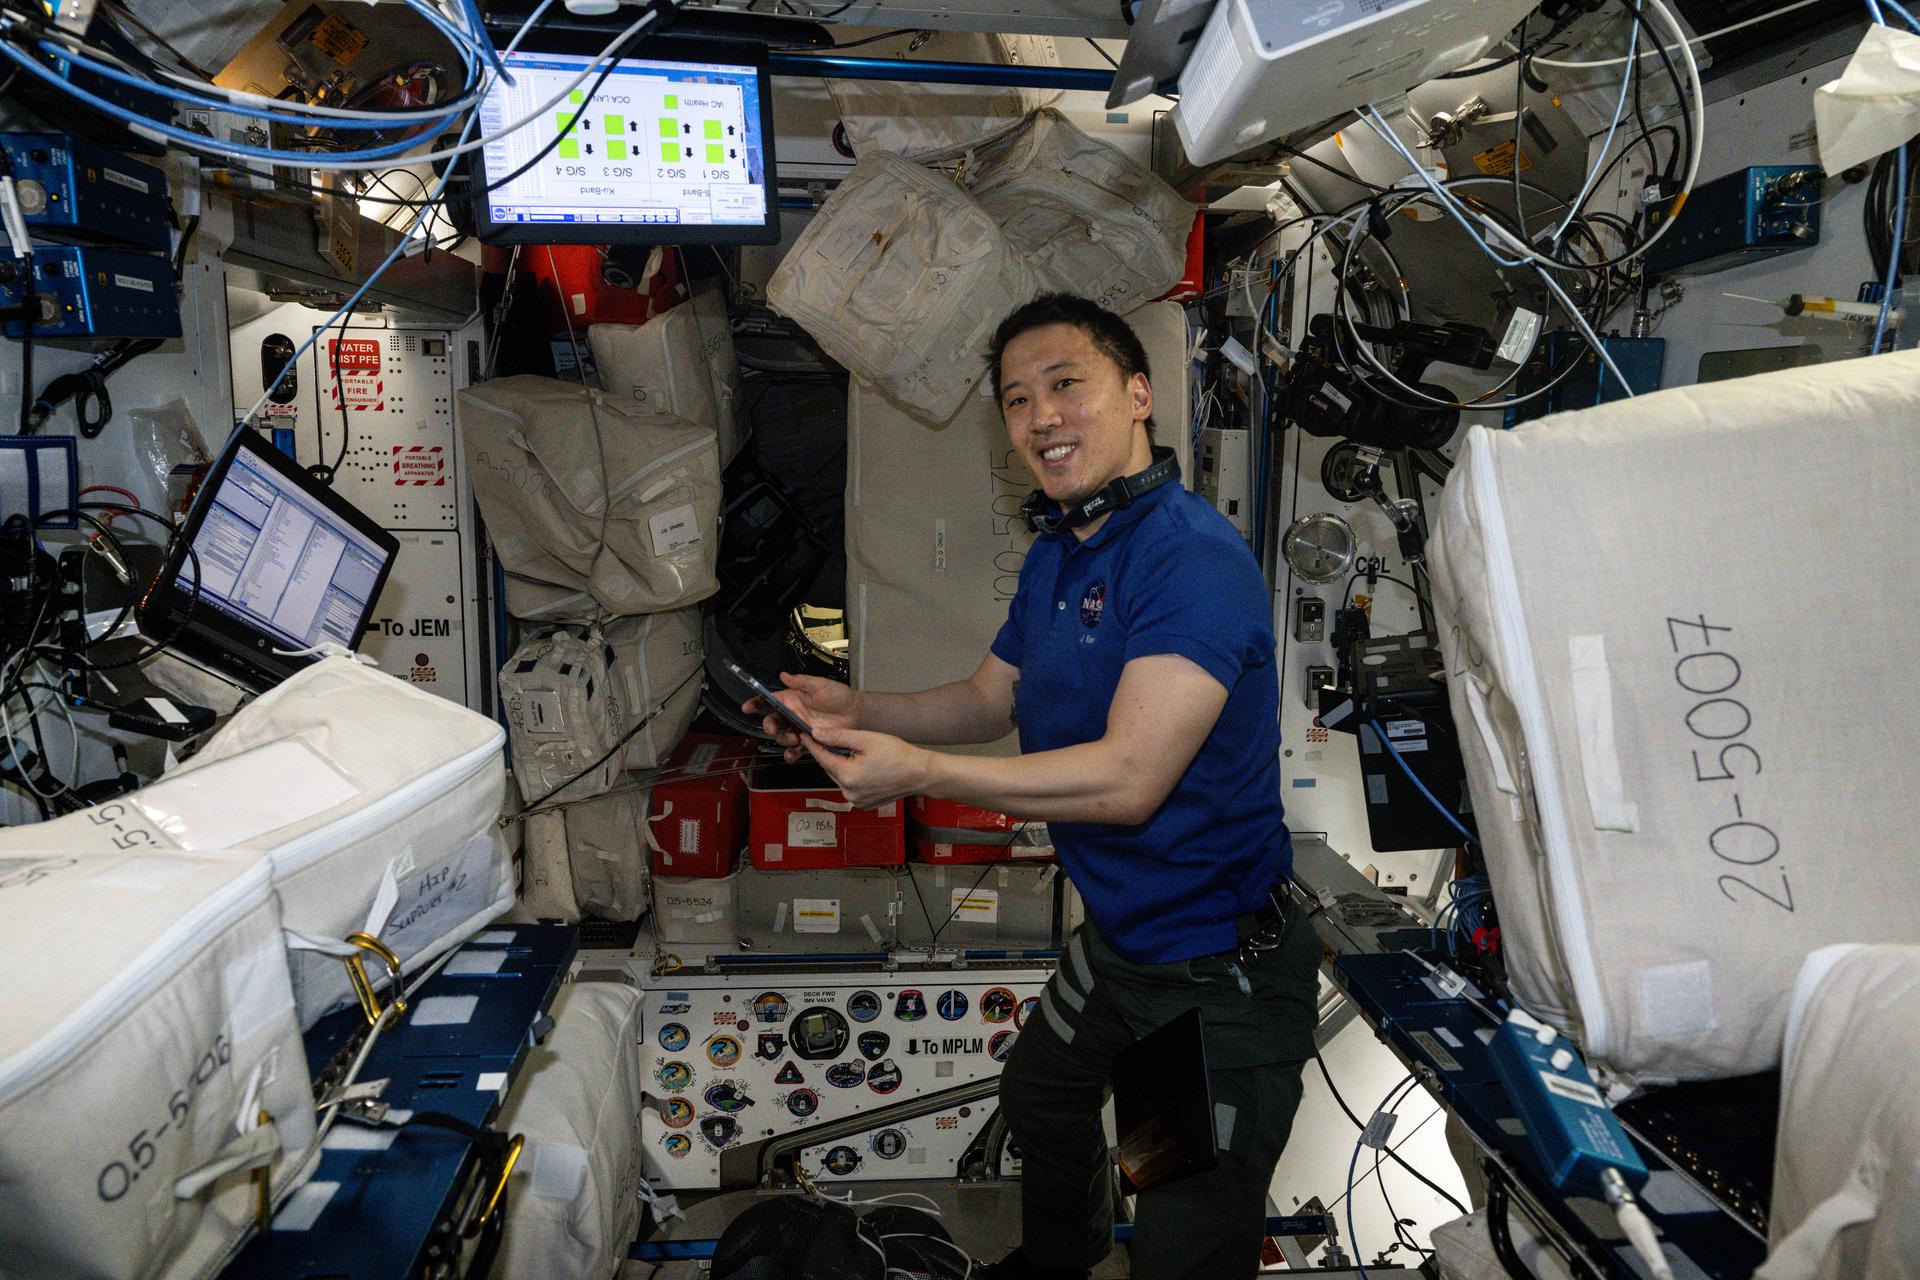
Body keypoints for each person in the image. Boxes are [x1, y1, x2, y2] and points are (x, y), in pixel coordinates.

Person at [746, 293, 1320, 1279]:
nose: (1040, 416)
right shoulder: (1063, 550)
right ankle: (1062, 1259)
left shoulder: (1189, 561)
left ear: (1138, 394)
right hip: (1128, 946)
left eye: (1066, 384)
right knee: (1045, 1093)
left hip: (1213, 975)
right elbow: (981, 699)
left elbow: (1130, 780)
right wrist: (857, 710)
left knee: (1182, 1230)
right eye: (1017, 399)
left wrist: (918, 774)